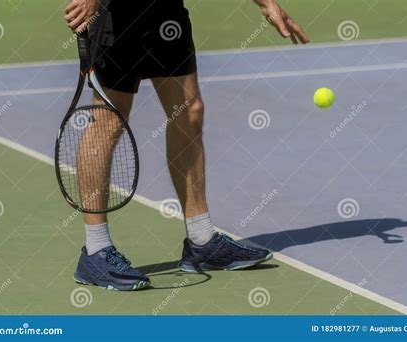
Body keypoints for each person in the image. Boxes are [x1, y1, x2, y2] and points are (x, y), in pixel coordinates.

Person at [63, 0, 308, 291]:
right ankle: (96, 250)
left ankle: (201, 240)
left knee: (189, 109)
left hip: (165, 11)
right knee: (109, 119)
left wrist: (266, 4)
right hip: (117, 12)